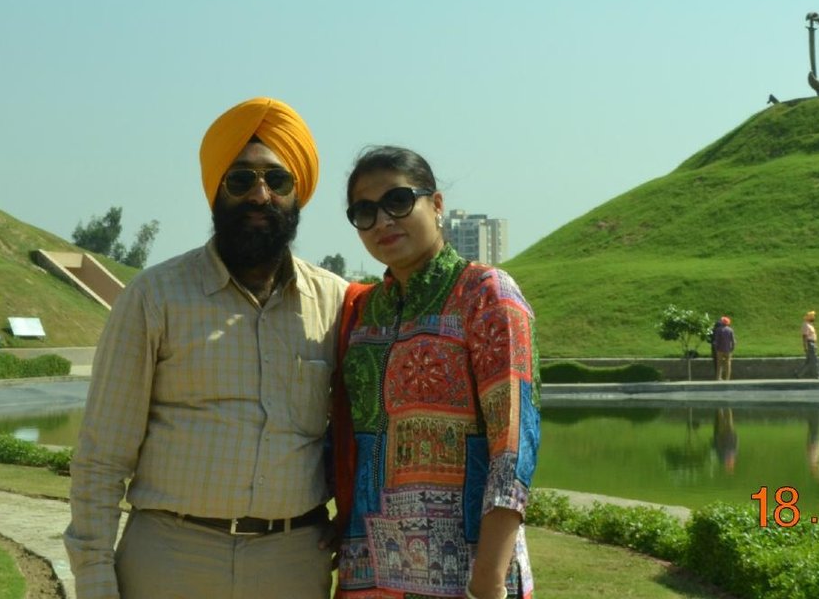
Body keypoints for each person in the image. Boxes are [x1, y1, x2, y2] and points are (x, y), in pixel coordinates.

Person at [64, 97, 349, 599]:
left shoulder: (336, 302)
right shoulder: (155, 297)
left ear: (297, 191)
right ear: (215, 189)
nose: (260, 194)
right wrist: (93, 576)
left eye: (276, 180)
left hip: (292, 562)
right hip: (171, 556)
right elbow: (102, 456)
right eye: (240, 179)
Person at [333, 146, 540, 599]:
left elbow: (513, 449)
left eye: (398, 201)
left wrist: (487, 582)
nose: (383, 221)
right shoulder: (365, 314)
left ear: (437, 204)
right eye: (364, 212)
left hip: (464, 576)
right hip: (367, 575)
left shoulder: (485, 294)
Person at [796, 310, 819, 379]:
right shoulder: (805, 325)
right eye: (813, 316)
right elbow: (804, 336)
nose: (814, 317)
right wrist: (805, 346)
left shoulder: (810, 325)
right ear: (809, 317)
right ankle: (817, 375)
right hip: (810, 344)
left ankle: (799, 374)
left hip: (813, 343)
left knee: (809, 362)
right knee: (815, 360)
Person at [713, 316, 735, 381]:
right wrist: (732, 348)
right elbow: (733, 341)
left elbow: (716, 341)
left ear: (722, 322)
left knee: (719, 364)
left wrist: (715, 349)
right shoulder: (730, 330)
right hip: (728, 350)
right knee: (728, 364)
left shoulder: (718, 330)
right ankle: (727, 378)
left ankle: (718, 377)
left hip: (719, 349)